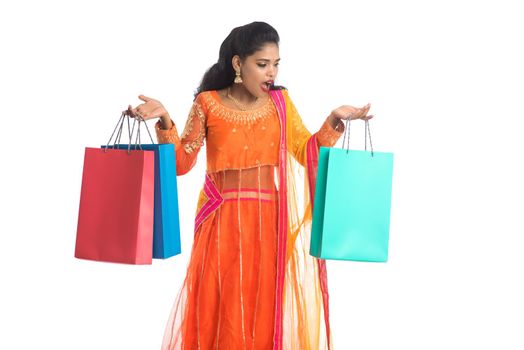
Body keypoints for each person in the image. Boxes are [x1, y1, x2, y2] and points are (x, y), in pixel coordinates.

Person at [130, 21, 373, 350]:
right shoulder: (207, 103)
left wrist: (333, 121)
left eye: (275, 64)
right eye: (262, 64)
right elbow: (181, 163)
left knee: (260, 311)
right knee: (216, 306)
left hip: (267, 224)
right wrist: (165, 121)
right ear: (237, 64)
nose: (271, 73)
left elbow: (305, 151)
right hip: (219, 221)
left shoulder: (280, 103)